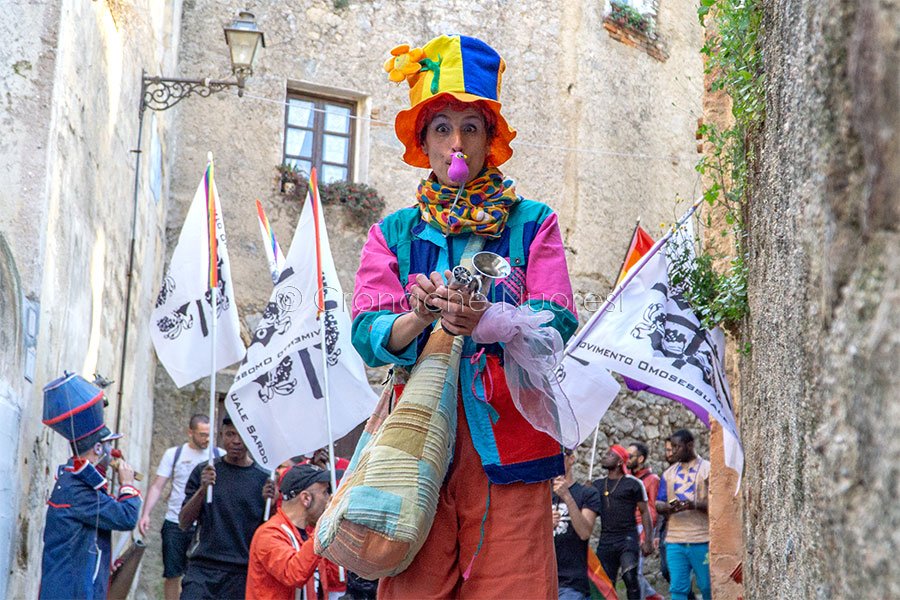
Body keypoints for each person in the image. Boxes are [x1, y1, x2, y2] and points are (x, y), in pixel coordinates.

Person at [352, 34, 577, 598]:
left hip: (508, 445)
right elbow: (364, 329)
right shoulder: (395, 232)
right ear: (423, 142)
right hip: (415, 445)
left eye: (470, 127)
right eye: (442, 128)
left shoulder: (534, 222)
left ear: (489, 140)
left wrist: (487, 322)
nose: (457, 141)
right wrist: (417, 316)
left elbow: (557, 323)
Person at [39, 372, 142, 600]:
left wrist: (104, 562)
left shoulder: (75, 478)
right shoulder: (80, 488)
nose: (110, 451)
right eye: (107, 446)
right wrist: (127, 485)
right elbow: (126, 516)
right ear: (97, 448)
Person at [178, 415, 274, 599]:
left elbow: (269, 531)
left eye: (242, 435)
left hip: (242, 573)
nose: (236, 441)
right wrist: (203, 489)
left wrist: (272, 501)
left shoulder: (264, 479)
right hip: (202, 568)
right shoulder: (205, 471)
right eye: (230, 434)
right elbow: (184, 522)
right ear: (221, 435)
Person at [138, 414, 223, 600]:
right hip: (175, 521)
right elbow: (157, 486)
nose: (206, 439)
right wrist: (145, 514)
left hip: (205, 524)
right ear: (190, 432)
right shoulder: (174, 454)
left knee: (202, 572)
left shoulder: (218, 456)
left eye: (209, 434)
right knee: (172, 573)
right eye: (202, 434)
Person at [246, 464, 331, 599]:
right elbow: (294, 573)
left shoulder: (308, 535)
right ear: (306, 498)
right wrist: (324, 526)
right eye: (325, 492)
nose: (329, 499)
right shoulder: (269, 534)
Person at [592, 445, 654, 600]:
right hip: (606, 540)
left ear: (620, 462)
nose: (604, 456)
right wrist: (588, 492)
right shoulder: (597, 485)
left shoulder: (633, 484)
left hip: (627, 538)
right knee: (606, 583)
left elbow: (645, 511)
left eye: (610, 455)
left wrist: (648, 540)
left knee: (630, 577)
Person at [655, 430, 711, 600]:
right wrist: (670, 508)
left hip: (701, 538)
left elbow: (717, 503)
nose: (673, 451)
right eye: (671, 447)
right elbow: (658, 503)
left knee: (707, 586)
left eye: (677, 447)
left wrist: (693, 504)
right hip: (675, 539)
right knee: (678, 588)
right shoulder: (668, 473)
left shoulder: (708, 469)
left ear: (690, 445)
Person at [552, 449, 601, 600]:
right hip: (545, 578)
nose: (555, 461)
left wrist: (567, 496)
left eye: (560, 456)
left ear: (571, 459)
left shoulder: (587, 493)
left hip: (571, 582)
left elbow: (584, 532)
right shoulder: (542, 495)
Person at [627, 441, 663, 600]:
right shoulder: (629, 478)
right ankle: (654, 596)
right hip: (629, 528)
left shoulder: (652, 479)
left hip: (641, 527)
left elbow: (653, 509)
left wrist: (646, 536)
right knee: (631, 572)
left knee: (636, 572)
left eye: (630, 456)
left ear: (640, 459)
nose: (626, 459)